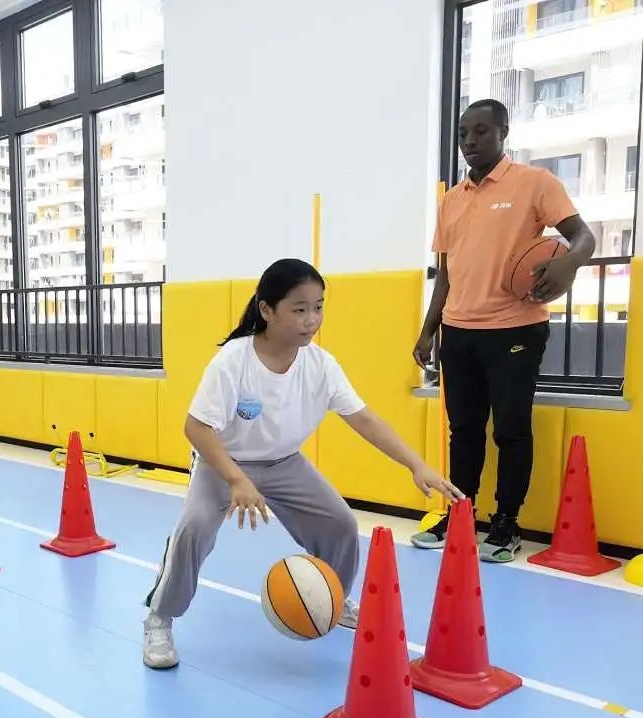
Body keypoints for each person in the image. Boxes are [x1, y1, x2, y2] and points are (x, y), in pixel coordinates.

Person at [142, 259, 463, 670]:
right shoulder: (233, 361)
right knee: (194, 528)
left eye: (318, 307)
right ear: (266, 310)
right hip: (221, 462)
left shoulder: (320, 365)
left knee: (340, 524)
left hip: (284, 463)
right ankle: (160, 618)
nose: (312, 320)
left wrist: (415, 465)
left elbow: (364, 419)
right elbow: (197, 428)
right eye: (299, 309)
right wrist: (236, 480)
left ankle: (331, 597)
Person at [411, 99, 595, 563]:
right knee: (464, 431)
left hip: (515, 328)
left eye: (481, 131)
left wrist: (569, 265)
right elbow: (446, 273)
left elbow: (584, 237)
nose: (470, 141)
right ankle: (459, 514)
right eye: (463, 133)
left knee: (511, 431)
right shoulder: (452, 200)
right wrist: (428, 329)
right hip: (458, 331)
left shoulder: (535, 183)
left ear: (503, 132)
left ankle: (506, 523)